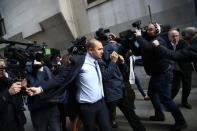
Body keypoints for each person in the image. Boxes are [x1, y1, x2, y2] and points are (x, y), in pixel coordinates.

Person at [27, 39, 116, 131]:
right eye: (100, 49)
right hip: (87, 107)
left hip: (101, 104)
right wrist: (40, 89)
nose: (103, 51)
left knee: (107, 128)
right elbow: (60, 78)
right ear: (90, 50)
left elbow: (105, 77)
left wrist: (113, 62)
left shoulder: (97, 61)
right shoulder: (79, 62)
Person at [134, 23, 187, 131]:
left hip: (163, 73)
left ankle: (181, 122)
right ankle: (159, 115)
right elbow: (137, 50)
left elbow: (147, 47)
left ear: (157, 31)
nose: (147, 31)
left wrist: (139, 36)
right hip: (157, 73)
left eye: (150, 29)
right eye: (147, 29)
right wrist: (132, 40)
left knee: (165, 98)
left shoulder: (160, 39)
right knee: (152, 93)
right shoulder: (147, 40)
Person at [26, 59, 61, 131]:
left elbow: (52, 83)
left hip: (51, 106)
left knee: (56, 128)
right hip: (37, 109)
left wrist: (42, 70)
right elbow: (34, 86)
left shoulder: (46, 69)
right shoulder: (29, 74)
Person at [167, 29, 193, 109]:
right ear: (169, 37)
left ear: (179, 36)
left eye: (177, 36)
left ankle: (184, 102)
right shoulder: (167, 44)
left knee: (187, 87)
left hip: (185, 68)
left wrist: (171, 56)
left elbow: (183, 54)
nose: (175, 38)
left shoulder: (183, 43)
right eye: (173, 36)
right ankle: (168, 102)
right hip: (175, 69)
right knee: (175, 88)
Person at [0, 59, 26, 131]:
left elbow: (17, 91)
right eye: (0, 67)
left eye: (3, 67)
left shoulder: (5, 79)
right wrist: (8, 93)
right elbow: (7, 93)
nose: (3, 70)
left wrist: (23, 87)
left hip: (18, 122)